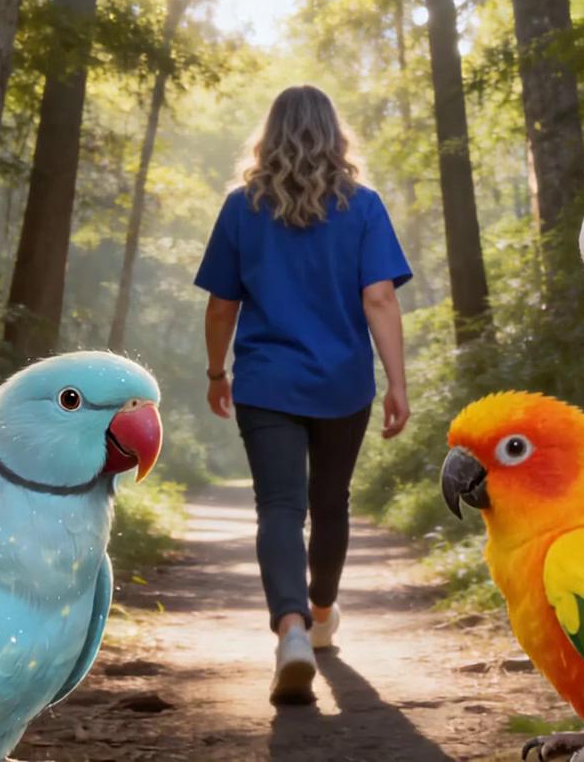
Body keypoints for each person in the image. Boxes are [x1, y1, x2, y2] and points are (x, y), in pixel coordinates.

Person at [193, 85, 412, 704]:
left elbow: (221, 305)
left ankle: (289, 629)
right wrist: (397, 383)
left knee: (279, 507)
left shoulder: (242, 207)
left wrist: (217, 372)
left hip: (266, 381)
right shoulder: (363, 206)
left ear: (270, 135)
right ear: (334, 133)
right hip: (343, 381)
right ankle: (319, 618)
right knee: (331, 502)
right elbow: (379, 298)